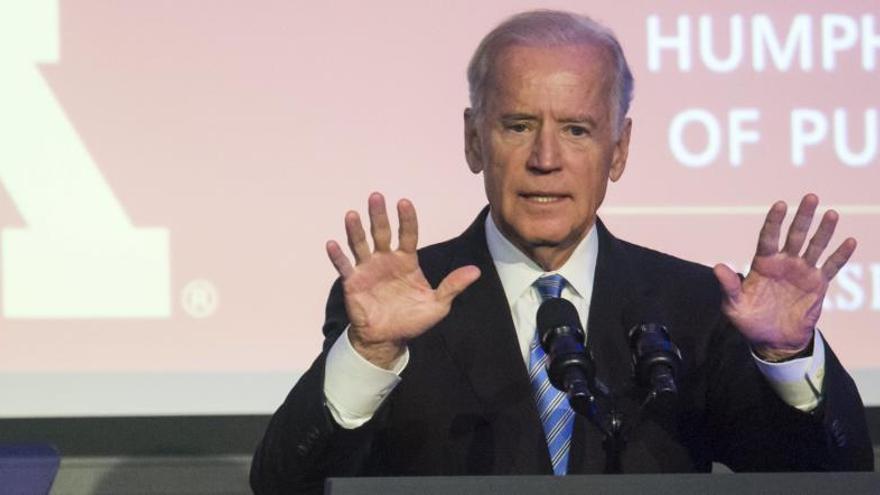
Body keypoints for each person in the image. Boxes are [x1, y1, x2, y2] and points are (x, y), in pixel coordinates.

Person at [250, 10, 873, 494]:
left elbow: (824, 477)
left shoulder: (695, 305)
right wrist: (369, 356)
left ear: (620, 149)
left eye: (576, 130)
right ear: (473, 140)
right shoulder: (401, 306)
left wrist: (789, 357)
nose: (546, 159)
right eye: (518, 126)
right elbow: (285, 486)